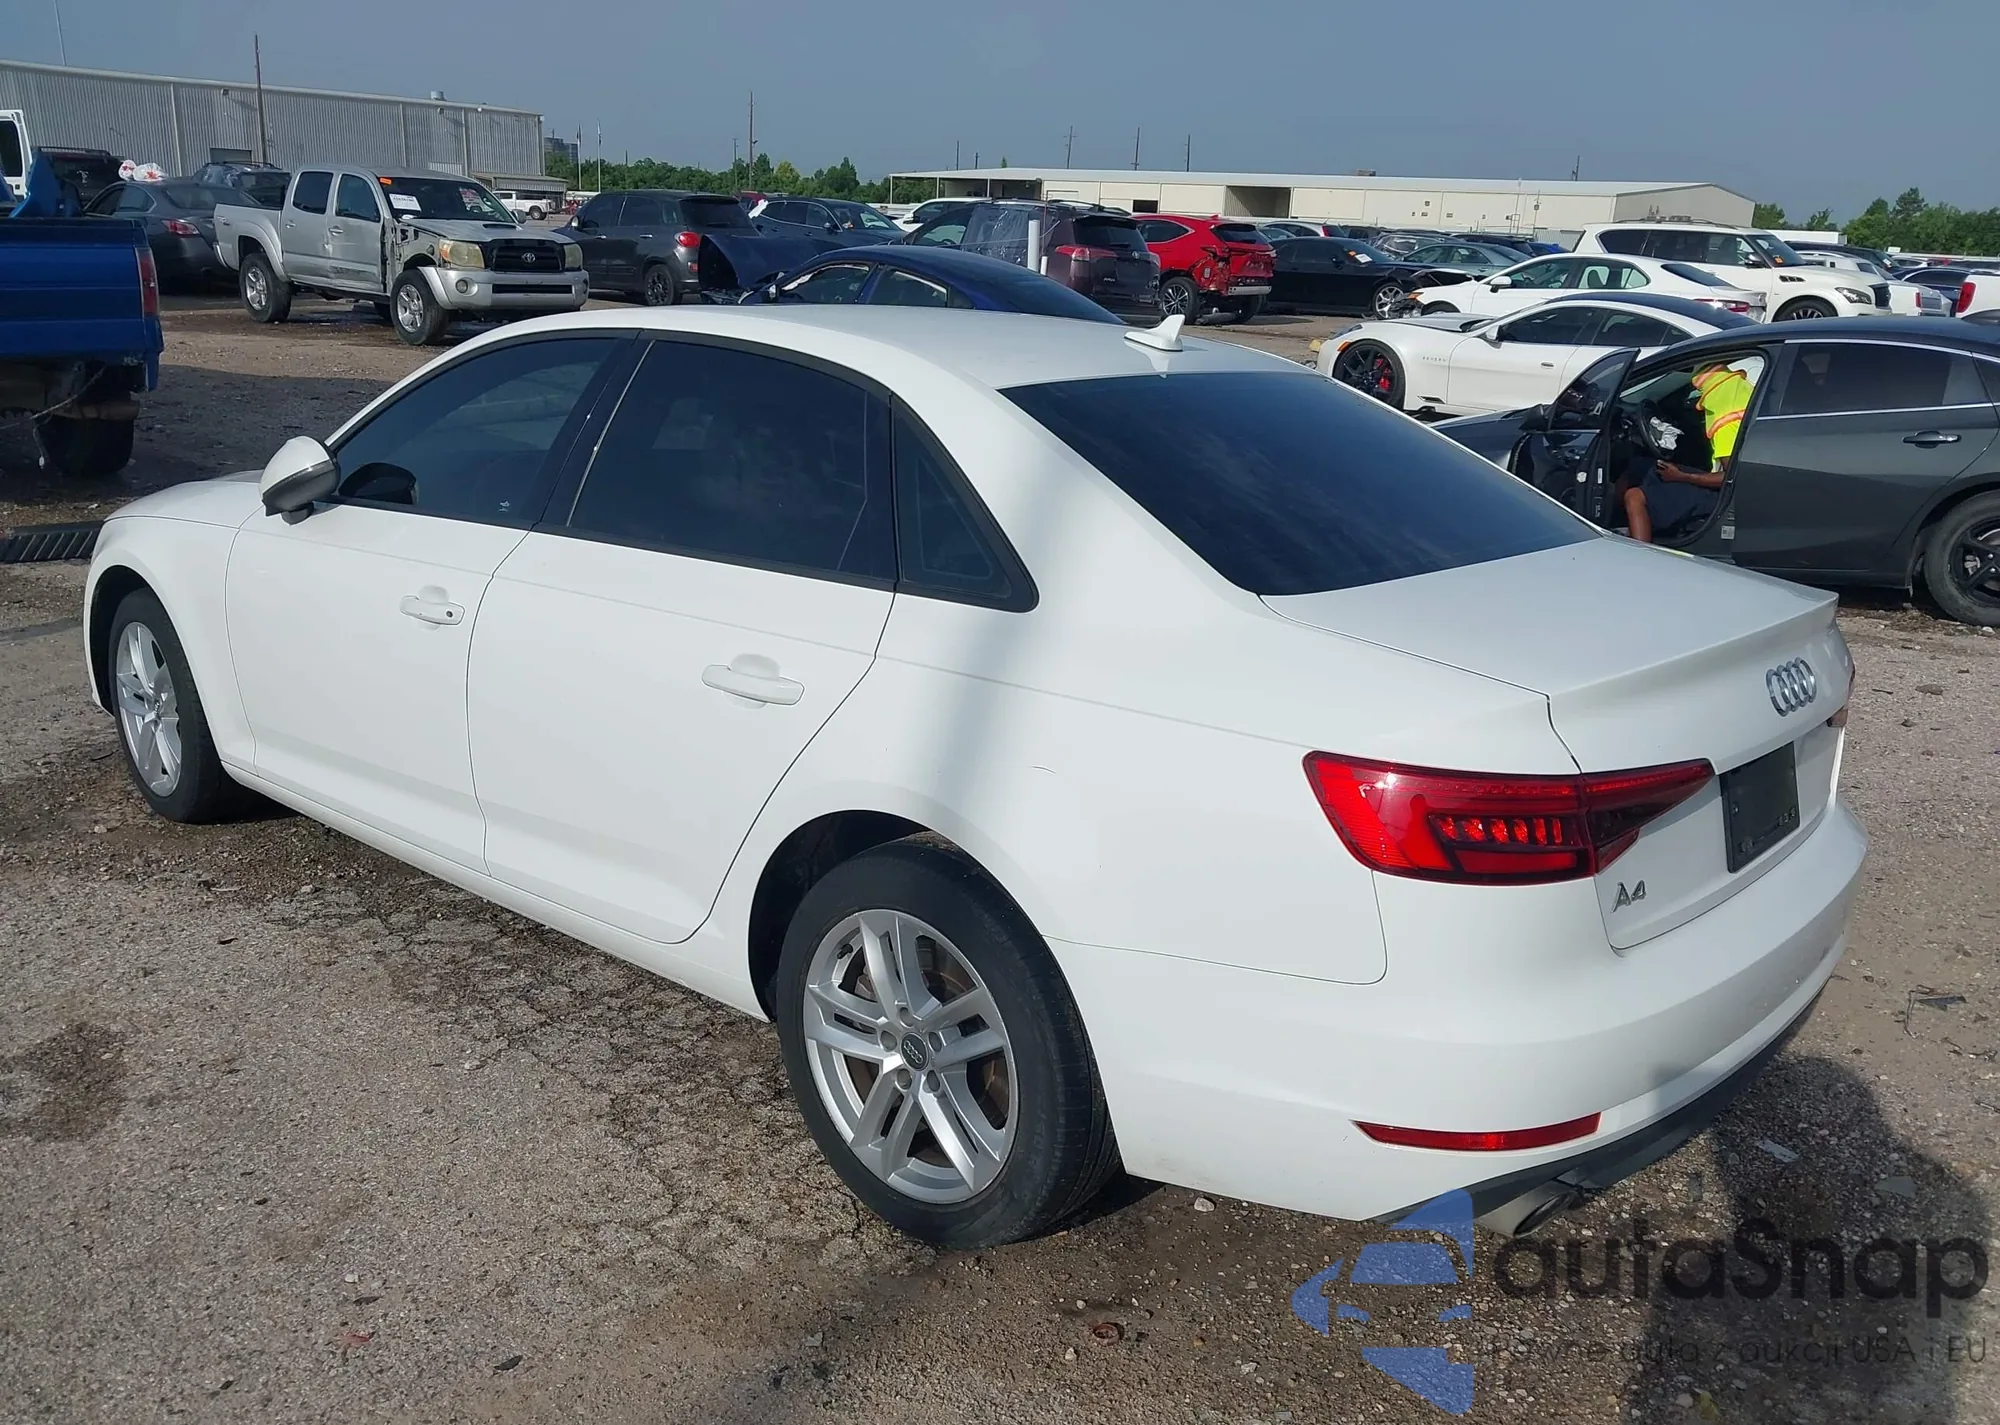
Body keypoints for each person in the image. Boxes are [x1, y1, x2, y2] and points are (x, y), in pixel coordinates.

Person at [1621, 361, 1754, 543]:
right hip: (1735, 487)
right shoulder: (1739, 393)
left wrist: (1681, 477)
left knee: (1634, 497)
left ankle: (1640, 554)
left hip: (1727, 497)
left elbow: (1731, 477)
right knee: (1639, 468)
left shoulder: (1724, 418)